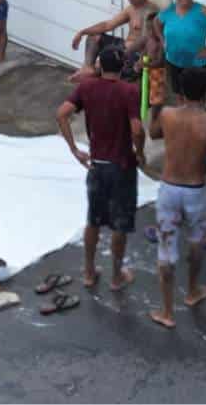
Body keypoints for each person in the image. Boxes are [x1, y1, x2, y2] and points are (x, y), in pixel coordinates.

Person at [57, 45, 145, 292]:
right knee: (119, 224)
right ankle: (116, 277)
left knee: (93, 221)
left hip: (97, 166)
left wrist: (75, 149)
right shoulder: (129, 91)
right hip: (122, 166)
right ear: (123, 67)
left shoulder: (87, 87)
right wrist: (140, 151)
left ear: (99, 66)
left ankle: (88, 271)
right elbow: (137, 129)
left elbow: (62, 114)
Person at [153, 0, 206, 243]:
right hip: (175, 63)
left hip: (196, 66)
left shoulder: (204, 13)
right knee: (179, 99)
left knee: (195, 100)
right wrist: (162, 41)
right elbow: (156, 24)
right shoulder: (168, 12)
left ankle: (195, 123)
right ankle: (184, 119)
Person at [147, 67, 206, 329]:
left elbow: (154, 133)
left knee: (166, 250)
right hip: (195, 191)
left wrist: (156, 108)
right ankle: (192, 291)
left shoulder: (168, 115)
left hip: (169, 189)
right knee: (196, 242)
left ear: (180, 92)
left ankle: (167, 311)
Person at [70, 0, 159, 83]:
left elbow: (146, 40)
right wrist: (82, 32)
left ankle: (95, 73)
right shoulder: (130, 9)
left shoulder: (150, 11)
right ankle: (88, 67)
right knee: (95, 36)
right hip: (123, 46)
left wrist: (133, 58)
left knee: (104, 65)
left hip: (134, 54)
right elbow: (108, 25)